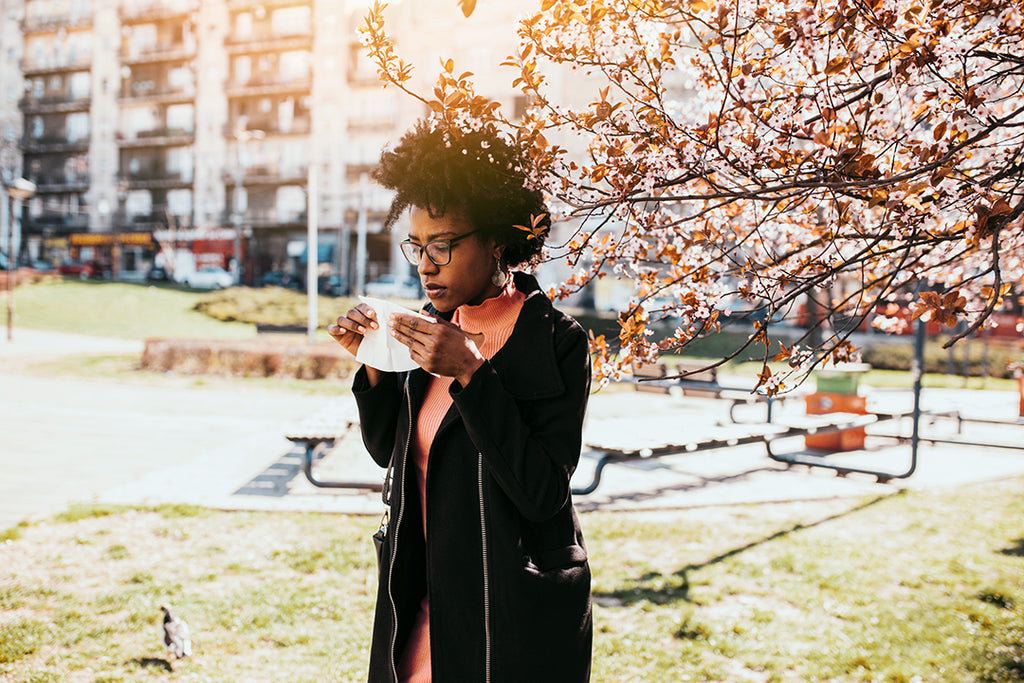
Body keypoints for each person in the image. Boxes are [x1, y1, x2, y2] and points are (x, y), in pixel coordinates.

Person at [328, 119, 593, 682]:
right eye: (417, 246)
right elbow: (390, 455)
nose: (426, 264)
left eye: (443, 246)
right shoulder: (426, 329)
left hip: (512, 617)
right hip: (421, 603)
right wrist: (374, 363)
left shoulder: (556, 342)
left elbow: (543, 491)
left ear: (496, 239)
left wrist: (471, 374)